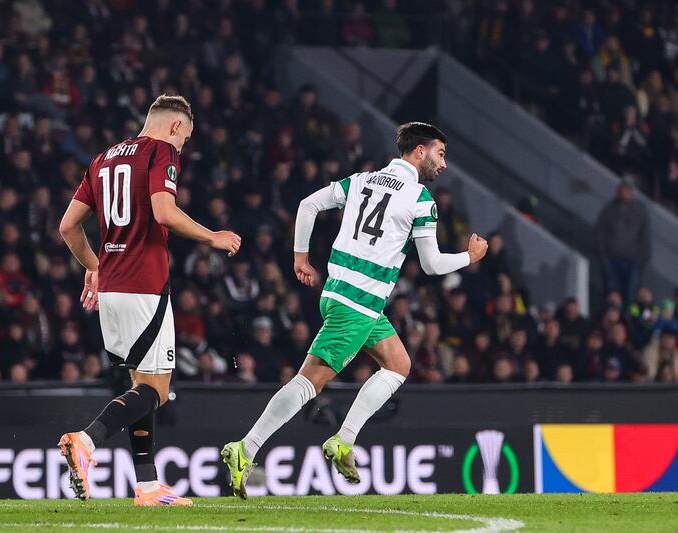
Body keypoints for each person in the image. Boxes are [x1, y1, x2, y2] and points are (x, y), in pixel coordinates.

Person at [221, 122, 488, 498]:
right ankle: (245, 449)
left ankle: (344, 440)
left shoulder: (363, 180)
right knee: (309, 382)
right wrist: (469, 257)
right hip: (358, 304)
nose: (444, 164)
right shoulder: (419, 198)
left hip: (343, 294)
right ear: (419, 151)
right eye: (440, 154)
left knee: (398, 364)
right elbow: (431, 265)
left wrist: (300, 257)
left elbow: (308, 205)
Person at [56, 95, 241, 506]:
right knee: (157, 389)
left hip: (112, 290)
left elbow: (68, 226)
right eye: (185, 139)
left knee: (141, 385)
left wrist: (96, 267)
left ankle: (148, 485)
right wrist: (212, 236)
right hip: (144, 285)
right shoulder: (161, 152)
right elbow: (164, 212)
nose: (182, 149)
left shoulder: (102, 159)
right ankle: (85, 440)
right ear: (175, 127)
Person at [594, 177, 650, 305]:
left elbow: (644, 237)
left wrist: (640, 260)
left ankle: (628, 317)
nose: (625, 192)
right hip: (611, 260)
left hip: (632, 262)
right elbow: (599, 233)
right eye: (623, 189)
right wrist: (603, 257)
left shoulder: (640, 211)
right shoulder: (609, 209)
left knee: (630, 296)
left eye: (628, 190)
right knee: (612, 296)